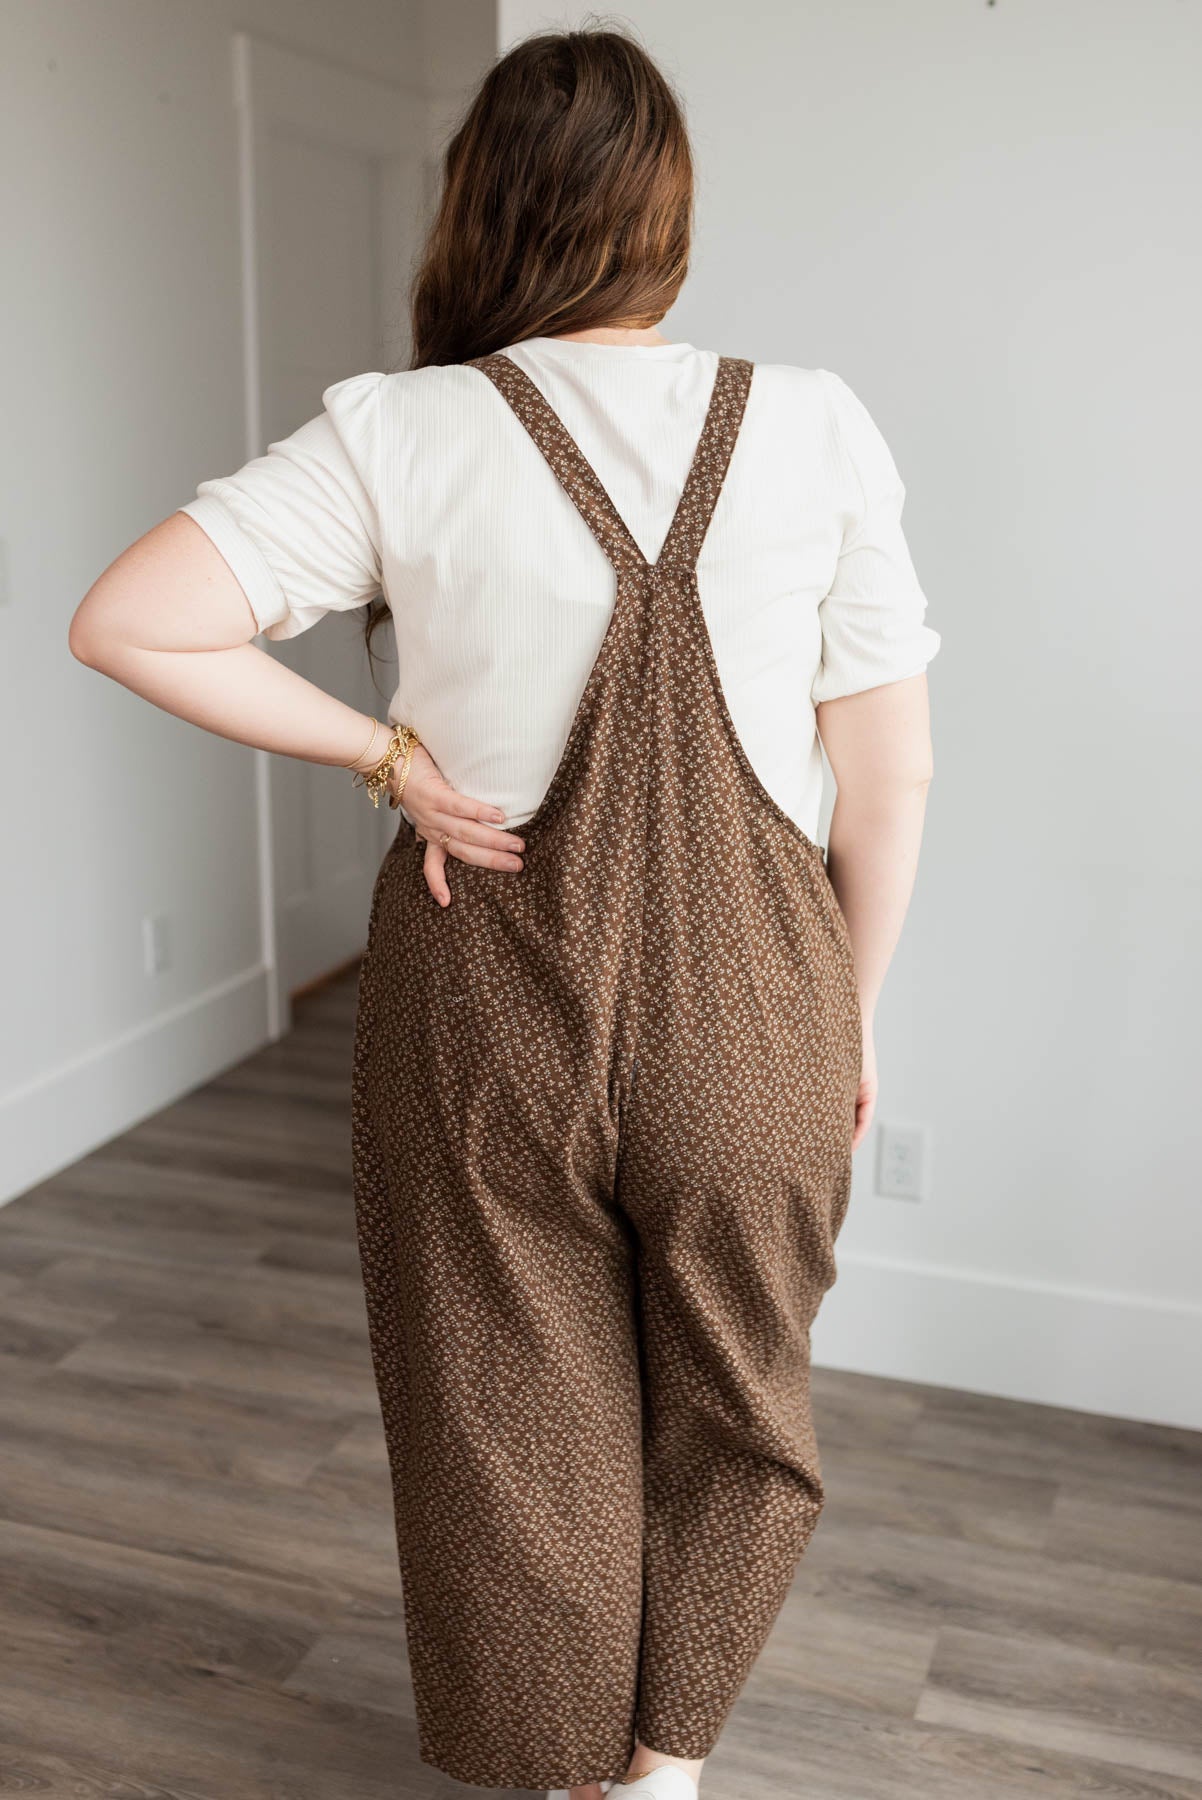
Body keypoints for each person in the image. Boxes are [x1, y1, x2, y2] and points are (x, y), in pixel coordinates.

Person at [68, 25, 938, 1800]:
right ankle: (661, 1769)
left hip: (482, 999)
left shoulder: (401, 431)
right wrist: (848, 1014)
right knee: (738, 1418)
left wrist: (383, 757)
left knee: (506, 1430)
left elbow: (131, 619)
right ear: (667, 220)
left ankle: (554, 1774)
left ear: (479, 212)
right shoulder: (815, 421)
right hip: (757, 1003)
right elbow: (891, 775)